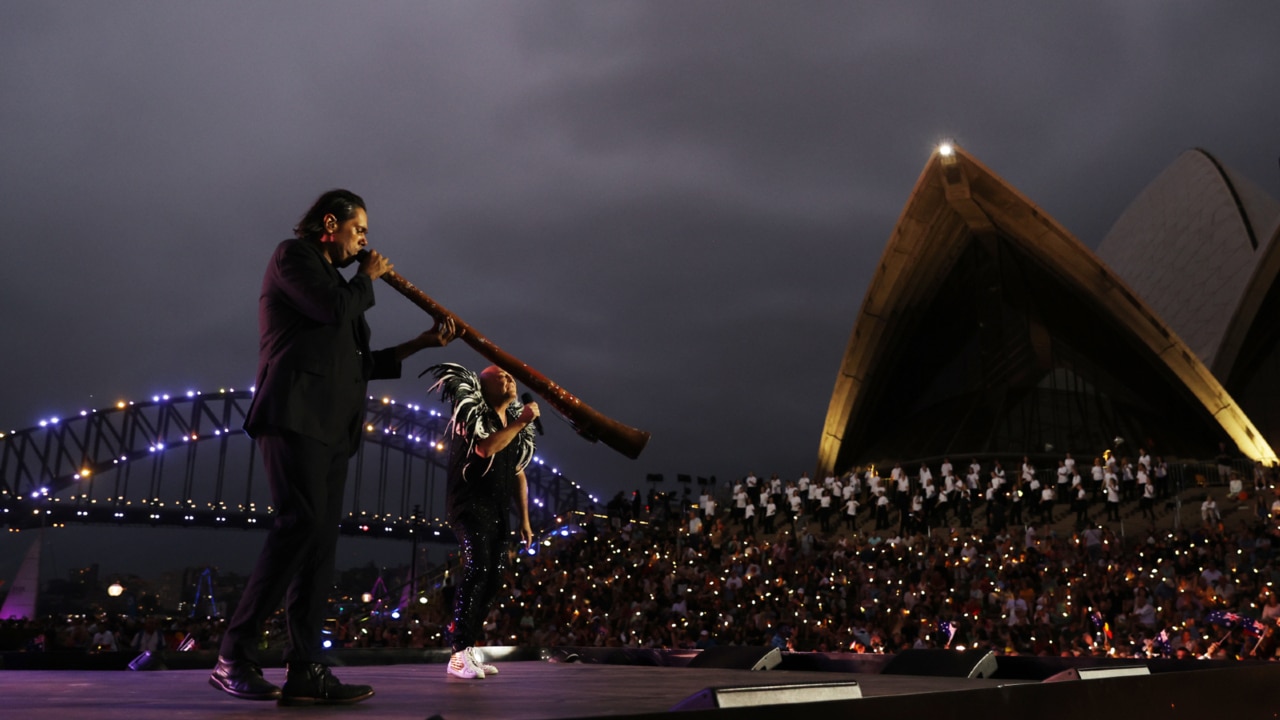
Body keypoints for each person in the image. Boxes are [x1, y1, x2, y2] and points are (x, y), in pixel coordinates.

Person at [211, 190, 455, 705]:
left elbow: (356, 363)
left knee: (319, 549)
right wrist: (366, 278)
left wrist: (420, 344)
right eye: (360, 229)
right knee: (297, 524)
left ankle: (307, 670)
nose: (366, 241)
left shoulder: (340, 289)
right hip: (295, 414)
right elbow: (331, 307)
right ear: (331, 223)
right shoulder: (292, 258)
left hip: (331, 427)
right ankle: (234, 655)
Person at [426, 362, 538, 680]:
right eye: (499, 376)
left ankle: (469, 647)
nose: (508, 378)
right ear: (481, 386)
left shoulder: (514, 423)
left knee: (493, 579)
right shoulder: (473, 416)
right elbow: (486, 448)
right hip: (470, 505)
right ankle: (458, 654)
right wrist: (522, 421)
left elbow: (519, 473)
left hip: (498, 510)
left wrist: (525, 521)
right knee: (477, 570)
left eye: (510, 375)